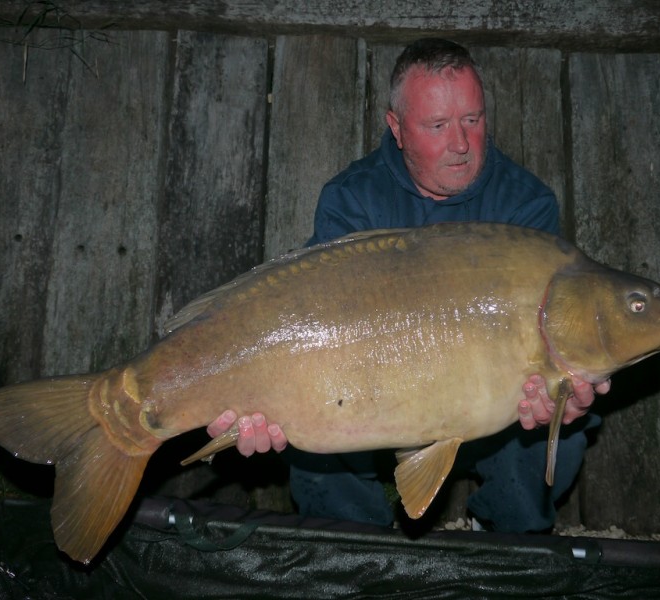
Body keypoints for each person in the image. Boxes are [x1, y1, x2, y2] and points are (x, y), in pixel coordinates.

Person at [207, 38, 609, 532]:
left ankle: (503, 551)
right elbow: (307, 332)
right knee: (315, 454)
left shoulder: (525, 207)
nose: (461, 144)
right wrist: (264, 410)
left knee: (565, 435)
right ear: (396, 127)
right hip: (371, 413)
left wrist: (560, 397)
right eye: (438, 126)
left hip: (492, 423)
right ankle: (357, 553)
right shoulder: (352, 199)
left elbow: (553, 344)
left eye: (473, 120)